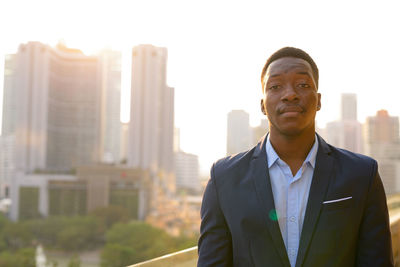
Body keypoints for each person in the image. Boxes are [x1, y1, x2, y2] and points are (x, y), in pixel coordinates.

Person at [197, 47, 393, 267]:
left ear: (318, 100)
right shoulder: (224, 178)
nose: (290, 94)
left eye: (303, 85)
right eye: (275, 86)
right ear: (262, 104)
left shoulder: (362, 175)